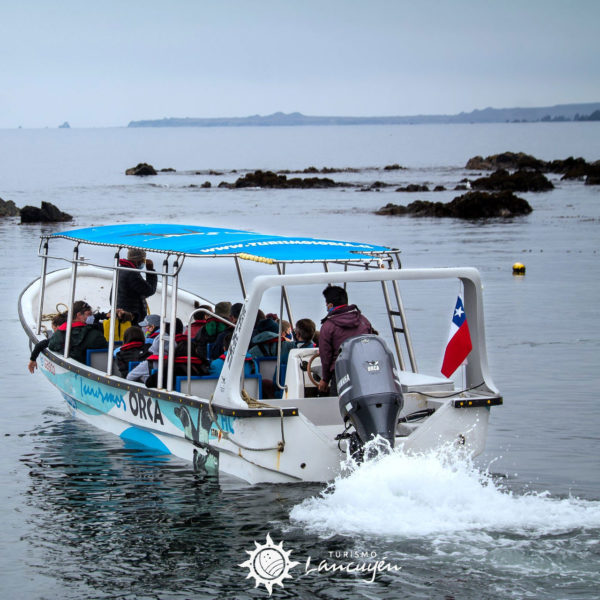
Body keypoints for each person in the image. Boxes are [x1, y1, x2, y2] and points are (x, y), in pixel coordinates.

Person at [317, 285, 374, 395]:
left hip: (340, 373)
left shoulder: (328, 326)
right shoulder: (363, 321)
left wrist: (325, 379)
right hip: (364, 371)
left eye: (326, 303)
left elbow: (326, 356)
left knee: (336, 405)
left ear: (330, 305)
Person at [116, 248, 157, 324]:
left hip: (121, 312)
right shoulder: (132, 273)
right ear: (137, 260)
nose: (143, 263)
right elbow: (149, 290)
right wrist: (150, 270)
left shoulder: (120, 269)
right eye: (143, 260)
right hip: (130, 317)